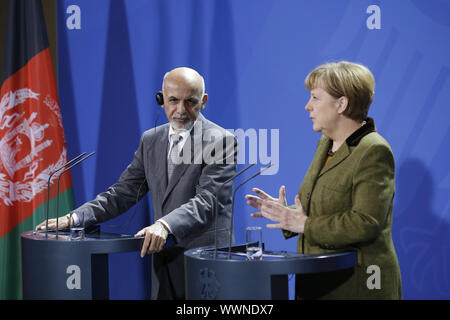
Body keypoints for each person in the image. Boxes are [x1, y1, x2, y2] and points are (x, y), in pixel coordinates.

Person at [36, 67, 237, 300]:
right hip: (163, 261)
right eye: (173, 100)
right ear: (161, 100)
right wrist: (76, 218)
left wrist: (164, 225)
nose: (181, 110)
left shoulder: (221, 141)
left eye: (190, 102)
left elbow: (207, 201)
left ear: (203, 101)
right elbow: (122, 193)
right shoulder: (151, 140)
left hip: (204, 263)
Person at [246, 61, 402, 299]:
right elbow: (326, 205)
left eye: (316, 98)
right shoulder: (325, 144)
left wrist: (302, 224)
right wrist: (284, 214)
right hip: (318, 281)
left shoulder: (373, 151)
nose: (308, 106)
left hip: (358, 285)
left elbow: (366, 222)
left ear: (342, 103)